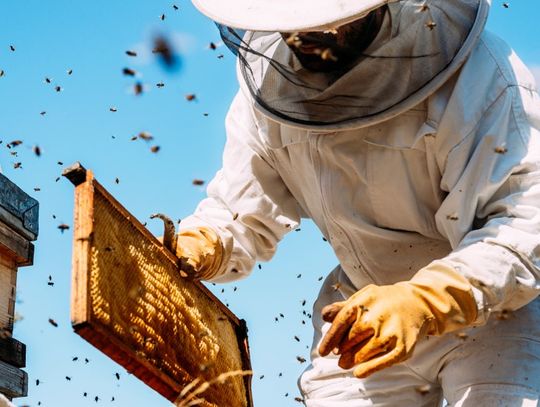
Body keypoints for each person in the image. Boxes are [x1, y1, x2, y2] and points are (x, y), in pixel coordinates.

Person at [176, 0, 540, 405]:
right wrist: (207, 241)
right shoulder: (268, 88)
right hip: (359, 314)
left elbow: (524, 221)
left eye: (327, 22)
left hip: (492, 312)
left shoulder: (480, 78)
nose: (306, 34)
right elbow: (243, 207)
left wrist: (429, 298)